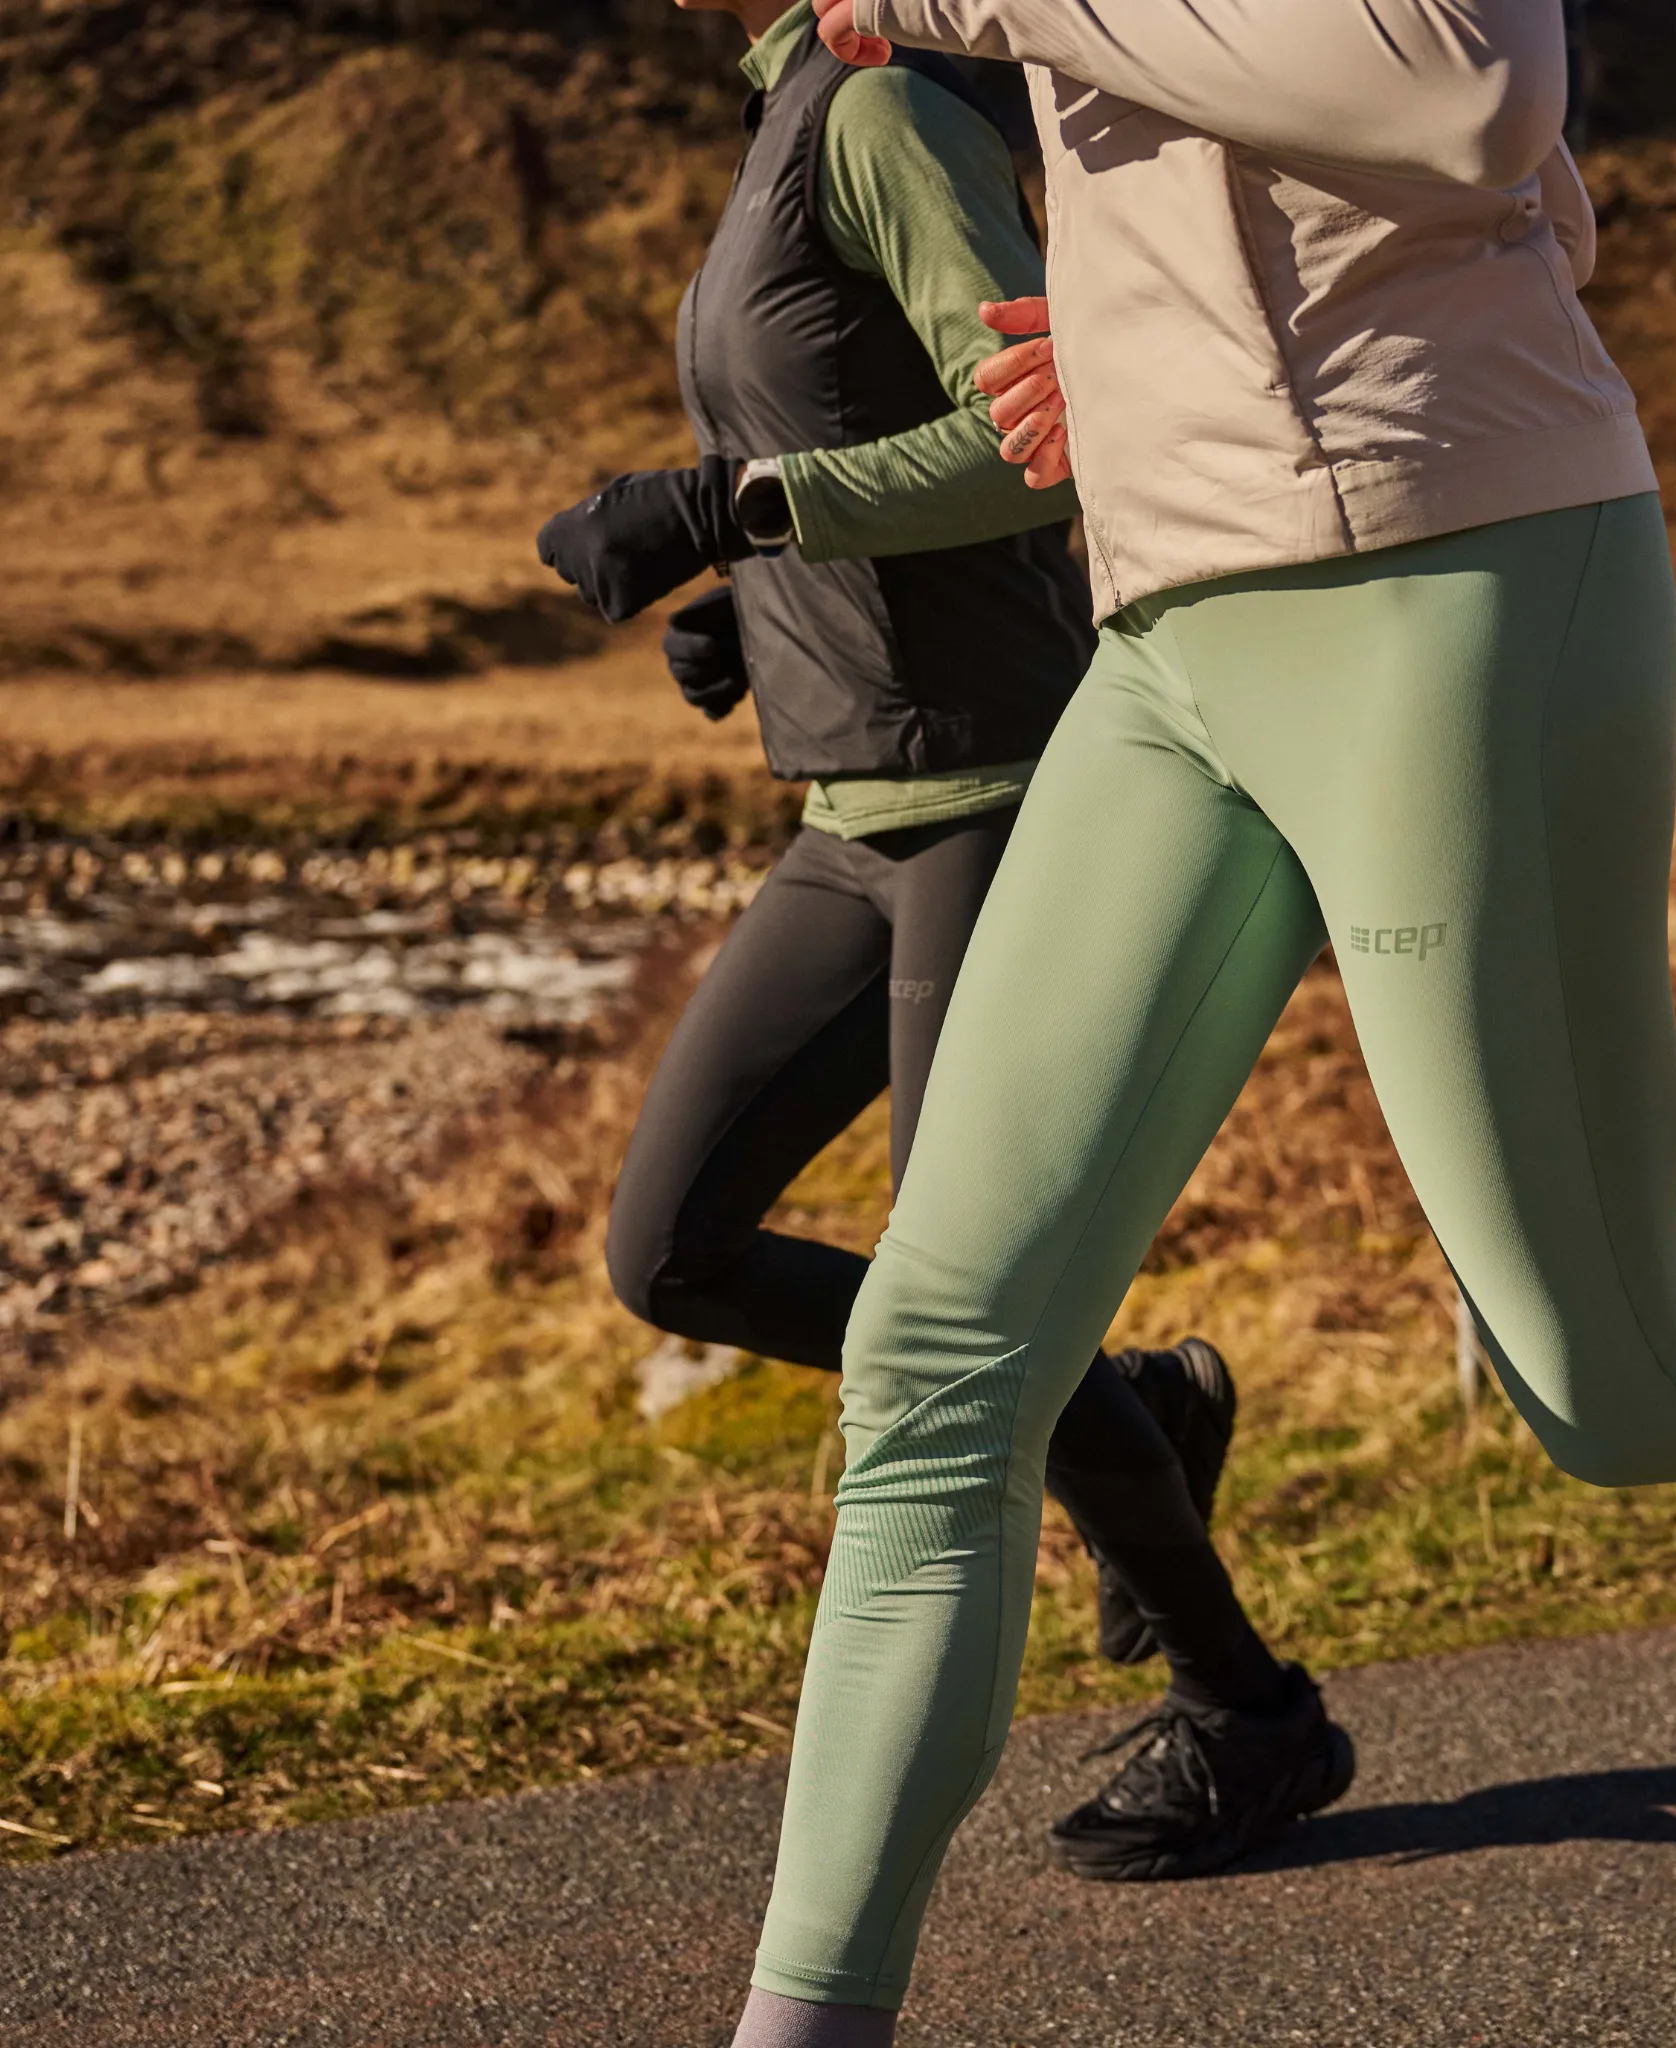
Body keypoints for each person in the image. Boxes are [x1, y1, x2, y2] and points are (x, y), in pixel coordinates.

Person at [717, 0, 1676, 2041]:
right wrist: (1134, 356)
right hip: (1171, 628)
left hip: (1450, 564)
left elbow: (1461, 88)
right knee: (934, 1356)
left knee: (1619, 1388)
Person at [533, 0, 1352, 1896]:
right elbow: (839, 421)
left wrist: (733, 509)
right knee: (671, 1252)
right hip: (850, 813)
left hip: (1000, 793)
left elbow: (1039, 444)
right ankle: (1138, 1403)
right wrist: (755, 601)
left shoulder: (889, 108)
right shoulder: (781, 121)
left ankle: (1252, 1713)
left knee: (960, 1315)